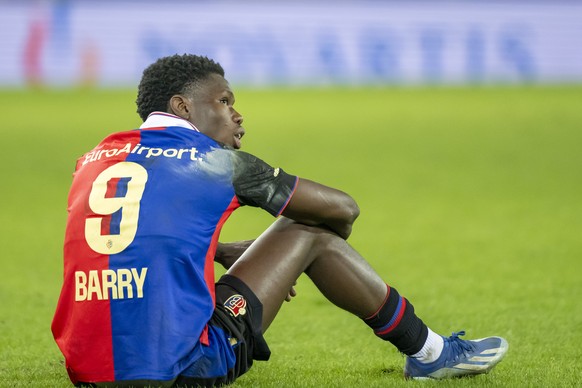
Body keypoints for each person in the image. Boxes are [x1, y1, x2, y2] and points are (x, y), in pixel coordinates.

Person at [52, 54, 508, 387]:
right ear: (182, 106)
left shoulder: (94, 157)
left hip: (87, 368)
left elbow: (139, 239)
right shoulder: (215, 162)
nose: (237, 113)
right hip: (179, 371)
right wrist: (302, 246)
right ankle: (429, 352)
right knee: (307, 230)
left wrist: (230, 252)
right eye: (224, 100)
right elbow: (343, 209)